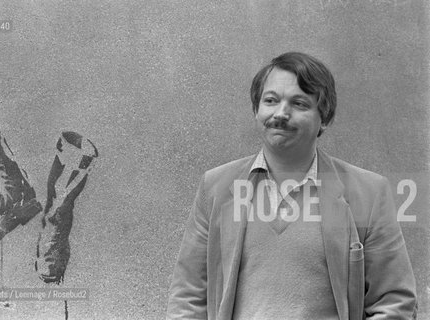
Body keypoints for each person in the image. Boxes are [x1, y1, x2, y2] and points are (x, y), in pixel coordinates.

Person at [166, 52, 417, 320]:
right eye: (271, 100)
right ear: (256, 109)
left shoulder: (368, 193)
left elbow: (394, 302)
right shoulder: (216, 187)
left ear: (325, 118)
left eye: (299, 103)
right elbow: (187, 298)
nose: (281, 113)